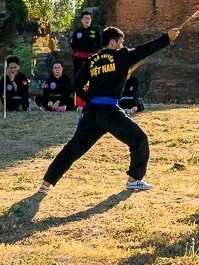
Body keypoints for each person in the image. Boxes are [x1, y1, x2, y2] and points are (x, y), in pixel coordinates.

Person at [39, 23, 180, 193]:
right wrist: (167, 38)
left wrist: (90, 99)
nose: (122, 45)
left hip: (91, 112)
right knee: (139, 139)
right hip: (109, 112)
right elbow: (146, 49)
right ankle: (134, 179)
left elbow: (76, 85)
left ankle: (47, 183)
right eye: (121, 42)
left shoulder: (91, 61)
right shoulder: (121, 56)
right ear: (113, 43)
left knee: (73, 148)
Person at [69, 9, 102, 107]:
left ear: (91, 20)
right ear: (81, 20)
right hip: (79, 59)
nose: (87, 20)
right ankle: (78, 103)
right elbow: (74, 46)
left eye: (89, 18)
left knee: (94, 80)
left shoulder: (95, 32)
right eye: (85, 18)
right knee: (78, 80)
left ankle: (93, 101)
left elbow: (99, 45)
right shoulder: (77, 33)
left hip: (92, 59)